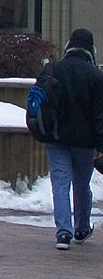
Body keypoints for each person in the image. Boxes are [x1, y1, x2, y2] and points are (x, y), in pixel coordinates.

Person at [43, 28, 103, 249]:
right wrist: (101, 145)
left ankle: (63, 233)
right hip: (85, 143)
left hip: (56, 137)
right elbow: (100, 115)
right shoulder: (96, 76)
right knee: (81, 184)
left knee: (60, 183)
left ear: (69, 45)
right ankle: (81, 227)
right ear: (90, 49)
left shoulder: (53, 69)